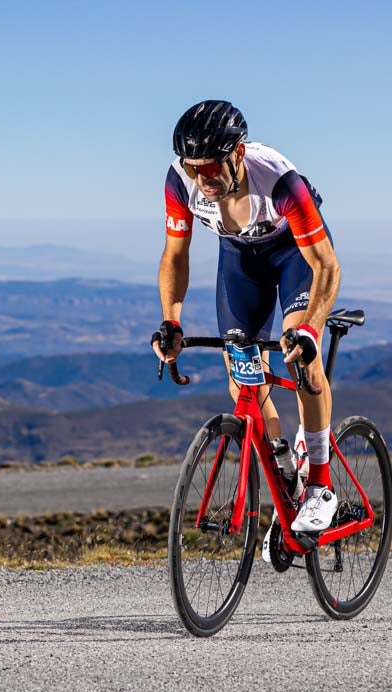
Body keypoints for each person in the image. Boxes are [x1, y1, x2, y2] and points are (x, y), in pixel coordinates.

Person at [150, 99, 341, 543]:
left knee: (300, 359)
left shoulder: (280, 182)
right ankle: (280, 460)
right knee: (242, 381)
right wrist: (171, 322)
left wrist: (310, 329)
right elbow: (175, 256)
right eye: (193, 167)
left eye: (211, 167)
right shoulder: (181, 182)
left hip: (296, 256)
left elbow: (327, 268)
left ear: (237, 153)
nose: (202, 178)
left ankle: (320, 483)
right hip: (240, 261)